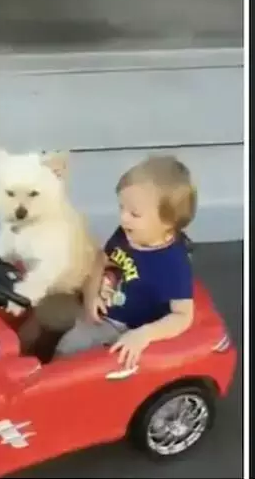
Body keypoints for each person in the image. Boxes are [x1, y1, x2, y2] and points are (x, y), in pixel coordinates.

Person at [54, 154, 197, 369]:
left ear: (167, 222)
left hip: (122, 327)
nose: (123, 218)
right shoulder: (126, 233)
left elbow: (183, 315)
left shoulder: (173, 264)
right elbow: (101, 260)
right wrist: (91, 297)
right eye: (121, 208)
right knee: (48, 316)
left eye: (134, 214)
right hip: (100, 306)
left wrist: (144, 335)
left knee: (68, 350)